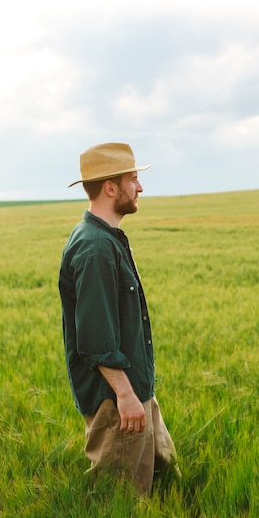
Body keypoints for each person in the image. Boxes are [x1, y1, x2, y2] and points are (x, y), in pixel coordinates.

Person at [59, 142, 178, 495]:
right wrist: (126, 397)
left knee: (160, 485)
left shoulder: (107, 238)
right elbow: (95, 339)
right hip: (117, 401)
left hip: (134, 391)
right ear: (111, 188)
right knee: (120, 506)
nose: (140, 187)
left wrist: (139, 395)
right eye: (134, 179)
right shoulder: (95, 247)